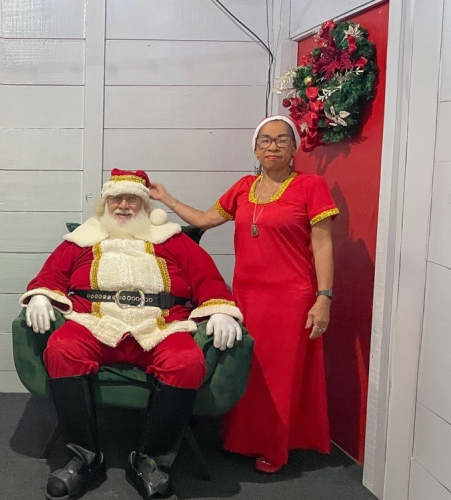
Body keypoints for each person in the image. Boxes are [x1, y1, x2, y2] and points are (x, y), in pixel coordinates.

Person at [22, 168, 244, 500]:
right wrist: (40, 295)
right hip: (95, 323)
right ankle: (84, 459)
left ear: (144, 205)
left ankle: (150, 461)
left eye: (132, 199)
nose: (124, 205)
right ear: (106, 203)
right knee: (62, 348)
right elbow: (51, 273)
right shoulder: (83, 238)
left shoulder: (173, 239)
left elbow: (207, 278)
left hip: (160, 325)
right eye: (117, 198)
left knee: (185, 362)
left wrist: (221, 310)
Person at [149, 116, 337, 473]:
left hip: (292, 299)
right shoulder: (243, 188)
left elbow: (323, 243)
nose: (273, 146)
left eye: (282, 140)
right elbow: (204, 220)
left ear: (294, 148)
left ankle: (275, 448)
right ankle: (240, 440)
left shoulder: (311, 186)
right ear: (255, 148)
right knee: (249, 369)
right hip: (246, 297)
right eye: (265, 140)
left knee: (279, 376)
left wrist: (324, 296)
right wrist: (165, 197)